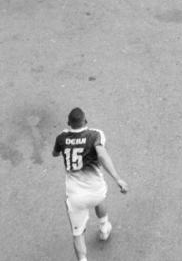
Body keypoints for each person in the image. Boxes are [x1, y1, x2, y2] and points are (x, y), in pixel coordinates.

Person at [53, 107, 128, 261]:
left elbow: (55, 153)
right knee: (100, 199)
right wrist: (117, 179)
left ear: (68, 123)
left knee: (78, 234)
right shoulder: (95, 135)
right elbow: (102, 154)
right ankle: (104, 227)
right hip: (96, 191)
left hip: (76, 197)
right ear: (85, 121)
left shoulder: (61, 138)